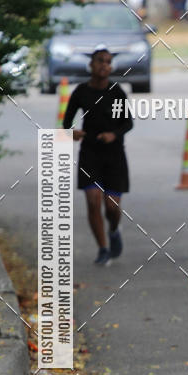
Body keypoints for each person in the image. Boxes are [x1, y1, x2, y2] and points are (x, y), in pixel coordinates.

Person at [62, 46, 132, 266]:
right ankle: (102, 248)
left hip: (114, 155)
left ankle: (113, 230)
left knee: (111, 207)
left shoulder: (117, 92)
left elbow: (128, 122)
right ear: (91, 64)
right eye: (100, 60)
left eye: (108, 61)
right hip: (90, 153)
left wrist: (114, 134)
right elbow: (67, 122)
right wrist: (72, 133)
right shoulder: (81, 91)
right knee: (93, 202)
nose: (104, 65)